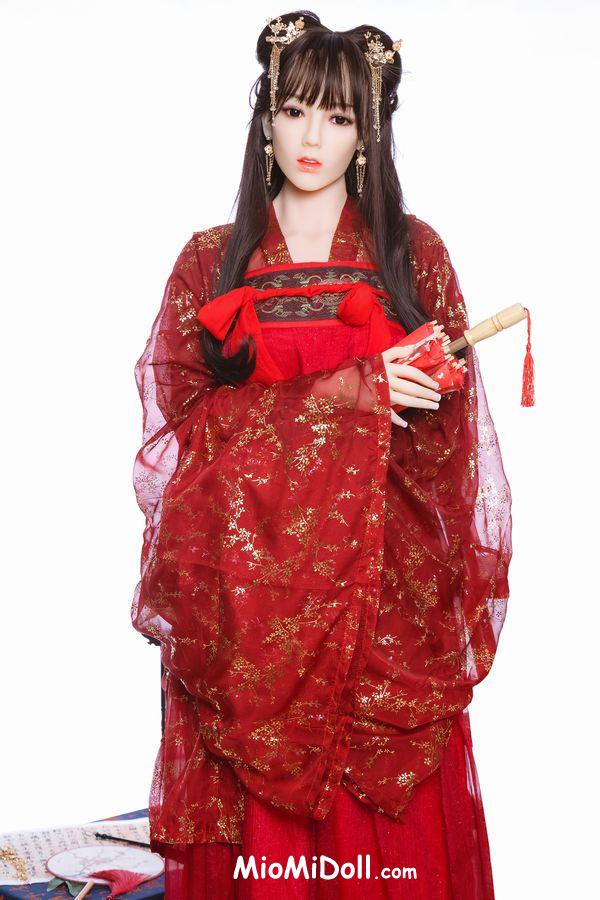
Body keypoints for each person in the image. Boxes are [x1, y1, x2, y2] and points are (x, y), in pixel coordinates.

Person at [131, 12, 512, 899]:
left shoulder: (412, 256)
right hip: (251, 616)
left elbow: (451, 460)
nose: (312, 137)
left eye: (338, 117)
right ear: (265, 117)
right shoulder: (208, 264)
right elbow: (181, 444)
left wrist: (418, 397)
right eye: (295, 109)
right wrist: (348, 393)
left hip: (379, 607)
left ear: (367, 132)